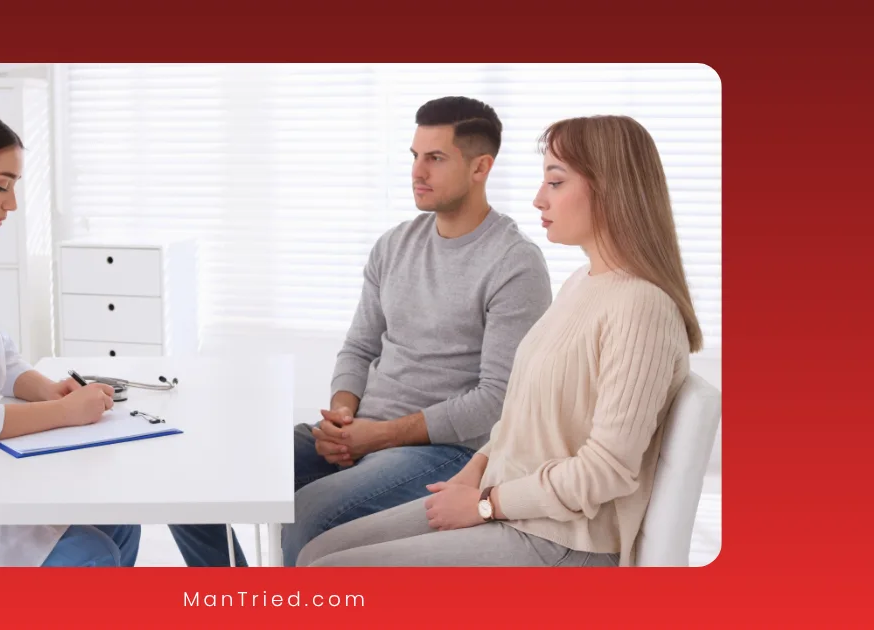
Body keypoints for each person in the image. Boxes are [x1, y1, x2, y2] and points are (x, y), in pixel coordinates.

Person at [0, 106, 243, 567]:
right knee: (93, 554)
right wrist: (61, 412)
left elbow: (2, 360)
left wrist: (48, 390)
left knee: (119, 518)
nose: (11, 204)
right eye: (1, 185)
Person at [296, 114, 703, 568]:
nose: (537, 198)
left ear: (608, 189)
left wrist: (487, 504)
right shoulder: (582, 283)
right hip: (510, 503)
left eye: (555, 182)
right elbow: (519, 416)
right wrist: (474, 478)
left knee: (329, 572)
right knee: (319, 551)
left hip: (564, 539)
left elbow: (605, 471)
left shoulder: (641, 307)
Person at [260, 96, 550, 566]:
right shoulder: (394, 244)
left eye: (435, 158)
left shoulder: (515, 263)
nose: (418, 172)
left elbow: (498, 399)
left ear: (481, 167)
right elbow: (358, 347)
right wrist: (341, 415)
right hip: (361, 432)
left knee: (309, 513)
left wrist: (381, 436)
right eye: (415, 156)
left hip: (445, 452)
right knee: (219, 474)